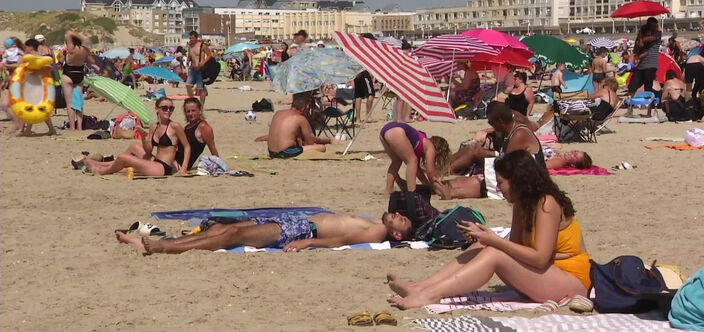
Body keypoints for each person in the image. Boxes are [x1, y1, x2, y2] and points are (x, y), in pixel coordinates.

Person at [387, 150, 590, 309]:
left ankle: (432, 295)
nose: (499, 188)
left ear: (518, 181)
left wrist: (495, 241)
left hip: (571, 280)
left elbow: (539, 258)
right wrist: (483, 236)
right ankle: (421, 287)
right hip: (546, 273)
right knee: (482, 244)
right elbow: (516, 247)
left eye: (501, 183)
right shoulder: (521, 203)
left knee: (493, 251)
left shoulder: (547, 203)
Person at [116, 210, 413, 255]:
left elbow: (344, 240)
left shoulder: (376, 233)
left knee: (231, 237)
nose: (398, 215)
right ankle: (159, 242)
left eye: (402, 221)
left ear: (397, 236)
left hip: (299, 228)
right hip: (296, 219)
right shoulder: (375, 222)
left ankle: (160, 248)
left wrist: (309, 241)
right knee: (223, 228)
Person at [436, 102, 545, 200]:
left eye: (491, 123)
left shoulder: (519, 134)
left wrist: (487, 155)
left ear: (500, 122)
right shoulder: (510, 129)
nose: (491, 126)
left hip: (526, 180)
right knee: (447, 185)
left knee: (472, 184)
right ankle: (438, 184)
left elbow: (507, 163)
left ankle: (451, 192)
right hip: (514, 174)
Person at [83, 97, 190, 176]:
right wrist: (144, 137)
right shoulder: (154, 126)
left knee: (123, 158)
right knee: (134, 146)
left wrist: (184, 168)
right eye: (165, 108)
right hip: (155, 161)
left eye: (171, 108)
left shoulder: (175, 126)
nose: (168, 111)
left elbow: (187, 147)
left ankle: (102, 170)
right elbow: (148, 151)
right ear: (157, 109)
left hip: (163, 168)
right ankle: (98, 163)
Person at [380, 122, 451, 195]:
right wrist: (434, 180)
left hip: (385, 130)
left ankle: (388, 190)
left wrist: (427, 185)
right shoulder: (430, 146)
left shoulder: (421, 143)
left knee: (396, 161)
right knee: (412, 161)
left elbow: (417, 171)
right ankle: (411, 193)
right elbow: (430, 171)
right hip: (396, 131)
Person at [264, 92, 334, 158]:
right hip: (285, 152)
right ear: (305, 106)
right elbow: (310, 142)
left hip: (271, 151)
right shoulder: (300, 118)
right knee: (321, 147)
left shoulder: (278, 113)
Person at [18, 39, 57, 136]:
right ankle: (51, 129)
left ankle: (27, 131)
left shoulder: (38, 57)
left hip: (37, 84)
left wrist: (36, 73)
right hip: (31, 84)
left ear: (31, 47)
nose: (25, 48)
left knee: (32, 105)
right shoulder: (28, 57)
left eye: (26, 46)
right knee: (38, 107)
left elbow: (50, 68)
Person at [627, 18, 661, 116]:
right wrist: (640, 38)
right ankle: (630, 109)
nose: (653, 27)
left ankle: (649, 112)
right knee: (632, 87)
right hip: (641, 66)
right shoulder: (642, 36)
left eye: (654, 25)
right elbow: (637, 48)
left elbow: (648, 40)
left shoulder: (658, 34)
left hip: (651, 65)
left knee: (648, 89)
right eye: (651, 25)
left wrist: (640, 36)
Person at [174, 97, 219, 170]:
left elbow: (213, 149)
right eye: (188, 111)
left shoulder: (204, 127)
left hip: (180, 165)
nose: (191, 114)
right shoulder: (187, 127)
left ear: (200, 111)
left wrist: (220, 165)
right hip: (172, 160)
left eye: (193, 110)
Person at [62, 30, 89, 131]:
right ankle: (80, 126)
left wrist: (77, 36)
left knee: (69, 103)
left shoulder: (71, 48)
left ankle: (72, 127)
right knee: (79, 102)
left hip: (69, 73)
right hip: (79, 74)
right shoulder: (84, 50)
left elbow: (68, 33)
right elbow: (91, 61)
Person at [186, 31, 212, 106]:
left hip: (200, 69)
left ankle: (201, 105)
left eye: (193, 38)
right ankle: (193, 101)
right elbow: (190, 56)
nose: (191, 39)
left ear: (196, 38)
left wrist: (203, 62)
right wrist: (188, 60)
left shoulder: (202, 46)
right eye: (190, 38)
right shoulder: (190, 46)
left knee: (200, 88)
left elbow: (210, 55)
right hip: (193, 68)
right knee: (188, 85)